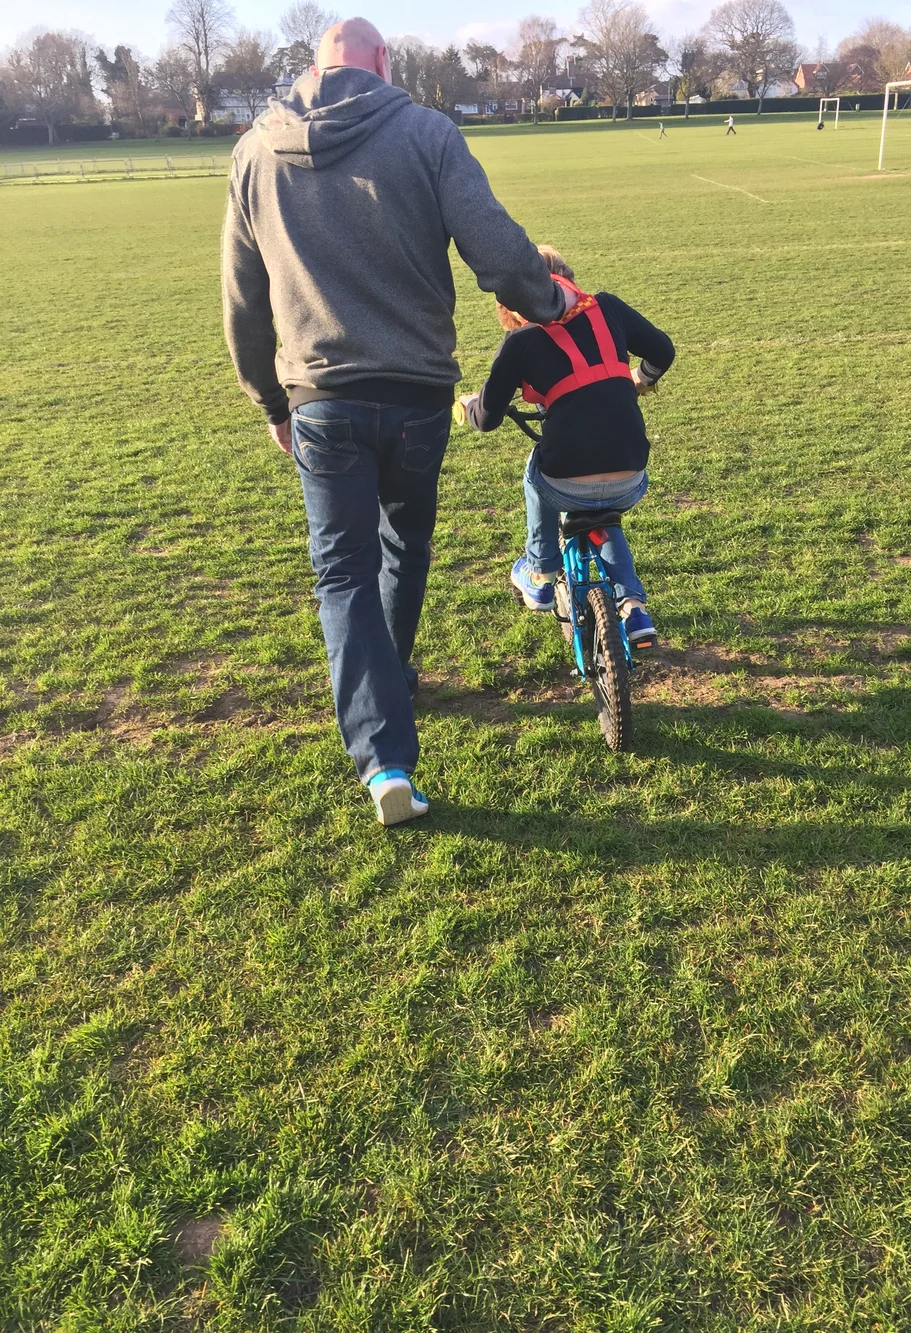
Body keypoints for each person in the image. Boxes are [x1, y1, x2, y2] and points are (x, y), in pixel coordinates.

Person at [221, 17, 575, 826]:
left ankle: (383, 754)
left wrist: (268, 401)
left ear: (314, 67)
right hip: (417, 395)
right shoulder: (425, 131)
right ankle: (392, 689)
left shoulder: (252, 151)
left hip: (320, 398)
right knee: (401, 548)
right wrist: (550, 301)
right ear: (383, 63)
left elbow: (241, 301)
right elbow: (497, 248)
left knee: (341, 572)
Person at [458, 246, 675, 652]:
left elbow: (487, 418)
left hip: (565, 477)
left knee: (537, 472)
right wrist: (638, 380)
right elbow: (663, 350)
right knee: (601, 508)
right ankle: (633, 606)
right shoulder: (607, 308)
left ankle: (540, 575)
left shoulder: (520, 341)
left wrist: (470, 406)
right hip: (631, 475)